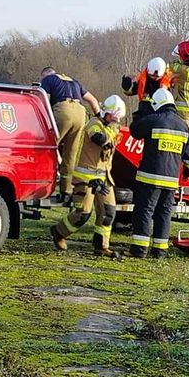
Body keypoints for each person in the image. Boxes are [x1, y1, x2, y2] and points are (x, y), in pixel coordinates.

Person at [50, 95, 126, 258]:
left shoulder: (113, 128)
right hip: (86, 179)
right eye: (115, 117)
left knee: (108, 212)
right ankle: (58, 232)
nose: (117, 121)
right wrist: (112, 136)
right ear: (107, 113)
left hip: (104, 179)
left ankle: (101, 246)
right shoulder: (94, 124)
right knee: (83, 214)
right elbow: (98, 138)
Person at [128, 88, 189, 259]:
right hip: (171, 181)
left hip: (150, 178)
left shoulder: (152, 120)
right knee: (164, 214)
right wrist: (188, 172)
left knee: (144, 211)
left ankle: (139, 250)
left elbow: (134, 131)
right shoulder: (184, 126)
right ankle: (160, 250)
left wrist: (141, 112)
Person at [40, 67, 101, 200]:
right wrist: (100, 120)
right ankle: (66, 190)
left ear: (45, 75)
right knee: (70, 153)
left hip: (63, 111)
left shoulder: (47, 80)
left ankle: (42, 187)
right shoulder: (75, 82)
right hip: (80, 113)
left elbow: (44, 102)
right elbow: (93, 101)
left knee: (46, 149)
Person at [168, 40, 189, 131]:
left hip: (182, 112)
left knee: (181, 137)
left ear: (185, 57)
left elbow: (171, 66)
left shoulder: (182, 70)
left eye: (180, 56)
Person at [122, 56, 170, 121]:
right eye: (152, 76)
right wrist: (127, 86)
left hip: (159, 116)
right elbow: (131, 91)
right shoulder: (143, 80)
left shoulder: (168, 84)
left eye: (157, 76)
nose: (155, 78)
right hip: (144, 115)